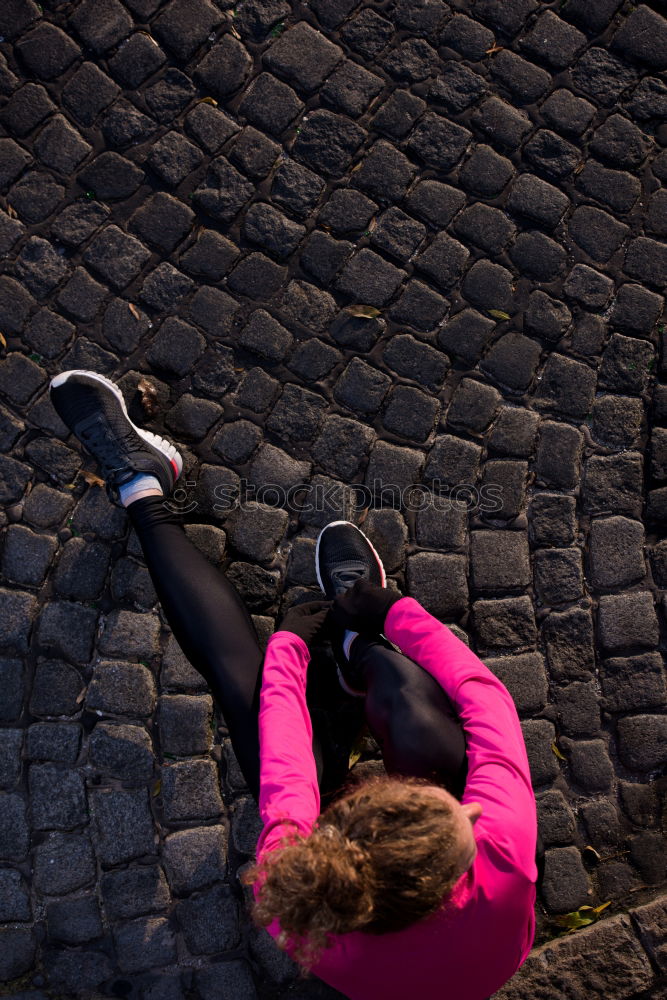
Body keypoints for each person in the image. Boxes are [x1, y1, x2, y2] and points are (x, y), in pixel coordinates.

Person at [49, 369, 538, 1000]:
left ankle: (142, 486)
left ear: (343, 814)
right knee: (411, 712)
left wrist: (290, 643)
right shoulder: (498, 853)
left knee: (244, 693)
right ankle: (363, 649)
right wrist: (388, 612)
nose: (469, 804)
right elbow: (484, 699)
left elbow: (285, 757)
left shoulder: (298, 886)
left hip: (341, 837)